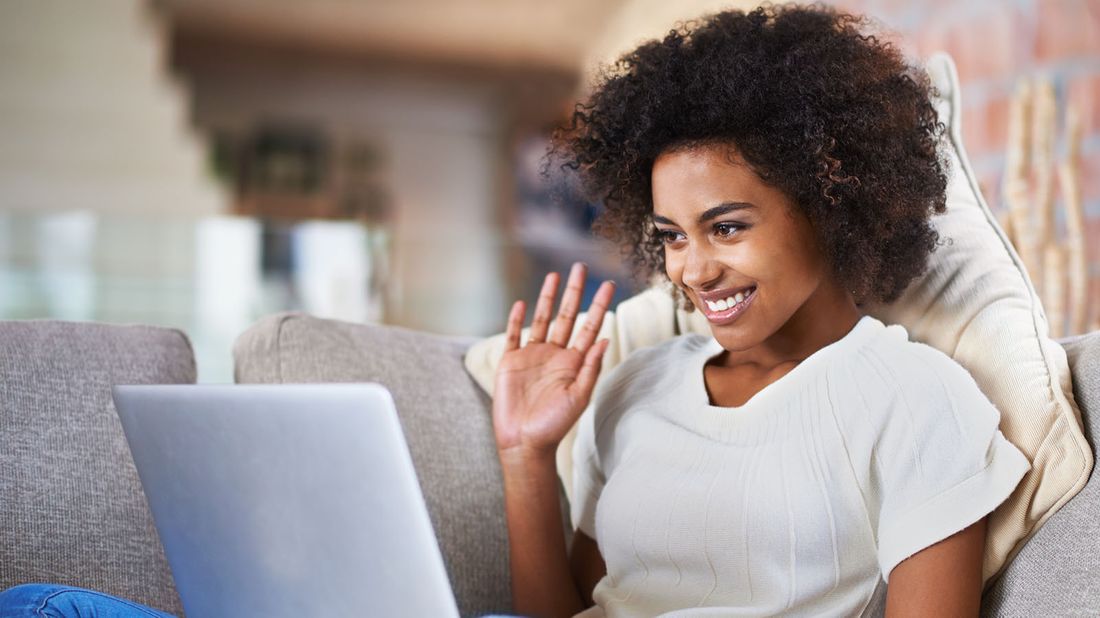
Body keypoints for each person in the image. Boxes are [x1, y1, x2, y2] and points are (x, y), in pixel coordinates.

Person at [491, 4, 1029, 618]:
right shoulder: (636, 384)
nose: (693, 271)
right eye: (672, 235)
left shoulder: (916, 400)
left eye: (726, 227)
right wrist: (525, 457)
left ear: (829, 205)